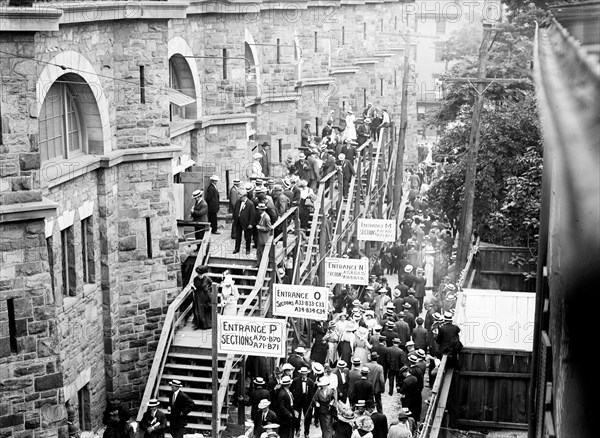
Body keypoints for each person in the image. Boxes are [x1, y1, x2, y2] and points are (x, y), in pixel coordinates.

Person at [290, 367, 315, 438]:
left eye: (305, 374)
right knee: (297, 417)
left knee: (307, 417)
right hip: (298, 401)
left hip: (307, 402)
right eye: (302, 374)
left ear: (307, 374)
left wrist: (311, 404)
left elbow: (312, 394)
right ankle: (297, 430)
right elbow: (291, 390)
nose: (304, 375)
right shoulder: (296, 381)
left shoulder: (311, 382)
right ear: (301, 374)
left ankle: (306, 432)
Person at [233, 189, 256, 255]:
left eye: (241, 197)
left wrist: (251, 223)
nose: (240, 198)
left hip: (246, 223)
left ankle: (247, 250)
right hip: (238, 222)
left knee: (247, 237)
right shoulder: (238, 202)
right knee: (238, 236)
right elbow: (235, 211)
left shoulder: (250, 204)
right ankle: (237, 249)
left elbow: (252, 215)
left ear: (245, 196)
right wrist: (234, 219)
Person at [255, 203, 272, 267]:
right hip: (261, 238)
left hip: (264, 238)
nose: (258, 210)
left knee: (263, 253)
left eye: (258, 209)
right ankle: (258, 264)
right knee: (259, 252)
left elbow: (268, 228)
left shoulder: (266, 217)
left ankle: (264, 266)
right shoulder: (262, 216)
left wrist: (260, 228)